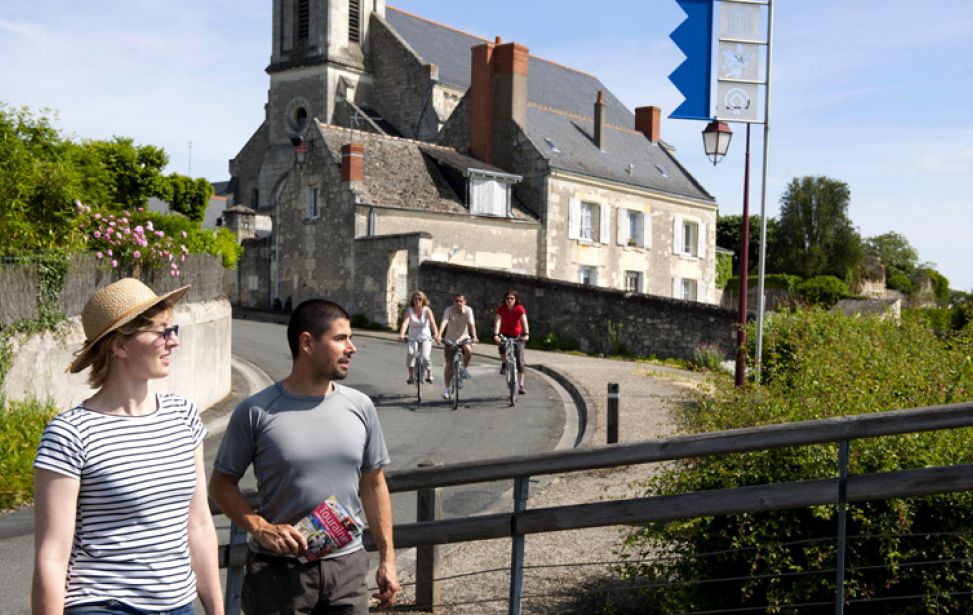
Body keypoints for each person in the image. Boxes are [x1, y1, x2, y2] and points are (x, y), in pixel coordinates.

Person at [32, 278, 223, 615]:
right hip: (104, 605)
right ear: (119, 346)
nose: (173, 341)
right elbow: (52, 556)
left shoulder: (184, 417)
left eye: (172, 328)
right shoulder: (70, 434)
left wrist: (217, 610)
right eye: (161, 331)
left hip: (178, 605)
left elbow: (199, 524)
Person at [209, 299, 400, 614]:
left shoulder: (361, 406)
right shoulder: (255, 411)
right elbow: (221, 484)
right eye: (340, 339)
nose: (352, 348)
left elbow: (374, 484)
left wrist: (388, 560)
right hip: (277, 576)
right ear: (307, 343)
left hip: (347, 571)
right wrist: (260, 527)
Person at [437, 294, 478, 400]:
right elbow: (444, 322)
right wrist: (439, 334)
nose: (458, 303)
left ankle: (464, 369)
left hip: (463, 337)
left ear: (465, 302)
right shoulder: (448, 310)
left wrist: (474, 336)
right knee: (449, 364)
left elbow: (471, 325)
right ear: (453, 301)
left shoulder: (468, 310)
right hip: (450, 339)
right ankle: (446, 390)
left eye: (460, 301)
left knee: (468, 350)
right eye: (456, 301)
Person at [397, 290, 440, 385]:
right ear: (412, 300)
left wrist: (436, 334)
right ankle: (411, 377)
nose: (417, 301)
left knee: (425, 357)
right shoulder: (410, 310)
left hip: (426, 338)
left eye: (419, 299)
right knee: (411, 353)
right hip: (413, 338)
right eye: (415, 299)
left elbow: (432, 323)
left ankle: (429, 374)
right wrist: (402, 334)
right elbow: (405, 323)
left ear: (423, 300)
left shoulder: (427, 310)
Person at [493, 289, 530, 395]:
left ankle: (521, 385)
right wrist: (496, 334)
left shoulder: (519, 309)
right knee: (501, 345)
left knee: (519, 361)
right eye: (507, 298)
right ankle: (504, 363)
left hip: (518, 336)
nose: (509, 300)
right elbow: (498, 322)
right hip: (504, 334)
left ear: (516, 299)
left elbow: (524, 322)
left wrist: (526, 334)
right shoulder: (501, 309)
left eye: (512, 298)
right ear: (504, 300)